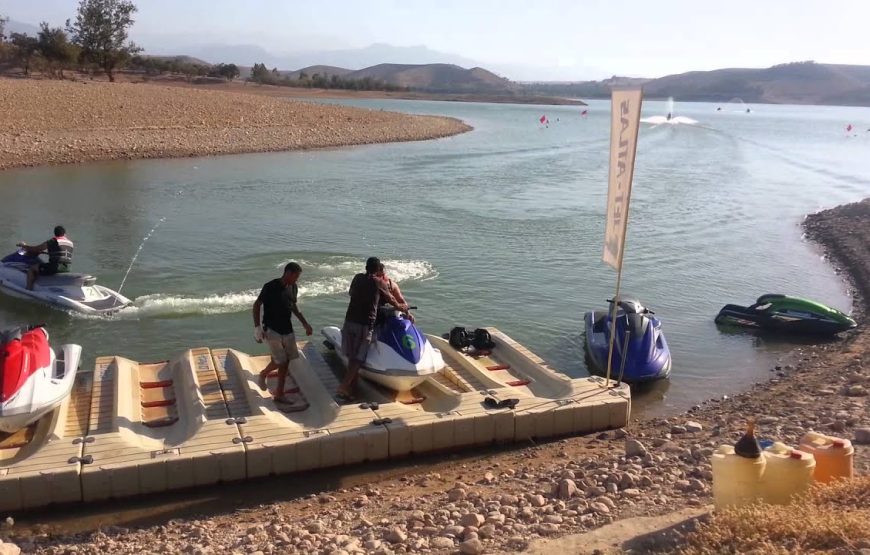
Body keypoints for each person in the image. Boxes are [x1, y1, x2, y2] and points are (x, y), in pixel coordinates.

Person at [337, 257, 408, 401]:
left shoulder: (357, 278)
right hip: (365, 323)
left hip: (350, 319)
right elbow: (392, 300)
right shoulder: (379, 282)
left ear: (365, 267)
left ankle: (351, 387)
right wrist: (402, 308)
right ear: (378, 270)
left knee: (352, 355)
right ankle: (344, 386)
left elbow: (351, 293)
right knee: (359, 358)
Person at [252, 262, 313, 404]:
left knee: (285, 359)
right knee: (283, 362)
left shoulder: (293, 287)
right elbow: (257, 305)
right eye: (296, 276)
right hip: (272, 329)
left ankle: (263, 373)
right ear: (288, 273)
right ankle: (279, 394)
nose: (296, 280)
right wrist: (257, 327)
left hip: (287, 328)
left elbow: (294, 307)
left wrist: (305, 323)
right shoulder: (270, 287)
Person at [16, 225, 74, 290]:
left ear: (55, 233)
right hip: (67, 268)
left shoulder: (53, 241)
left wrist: (25, 246)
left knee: (32, 269)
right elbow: (61, 253)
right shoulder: (70, 243)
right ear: (64, 234)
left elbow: (37, 248)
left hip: (55, 267)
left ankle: (28, 289)